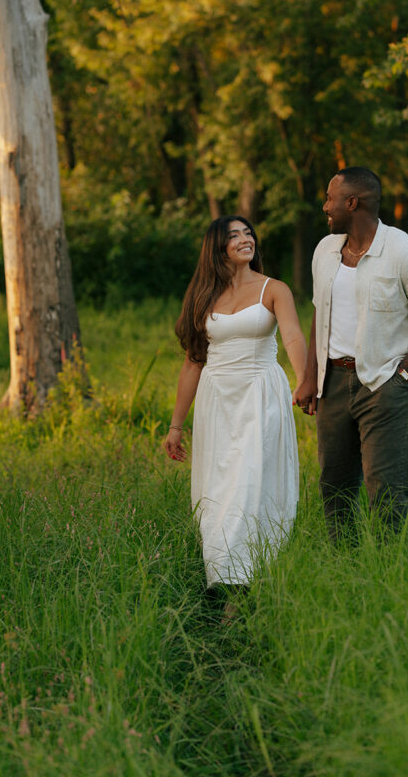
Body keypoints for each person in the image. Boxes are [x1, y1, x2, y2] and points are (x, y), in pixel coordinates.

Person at [293, 166, 408, 541]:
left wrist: (404, 374)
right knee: (333, 486)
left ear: (353, 202)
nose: (324, 207)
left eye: (330, 199)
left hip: (384, 385)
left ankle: (386, 572)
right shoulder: (325, 250)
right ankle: (344, 570)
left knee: (386, 491)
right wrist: (309, 376)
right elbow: (321, 309)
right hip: (331, 385)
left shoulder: (404, 254)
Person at [164, 215, 307, 597]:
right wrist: (177, 425)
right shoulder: (203, 298)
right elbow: (194, 361)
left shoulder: (274, 289)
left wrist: (304, 381)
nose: (246, 239)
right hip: (216, 401)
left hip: (260, 393)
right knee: (218, 488)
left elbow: (292, 336)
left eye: (248, 233)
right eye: (234, 236)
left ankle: (246, 583)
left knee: (251, 483)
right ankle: (222, 576)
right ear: (217, 248)